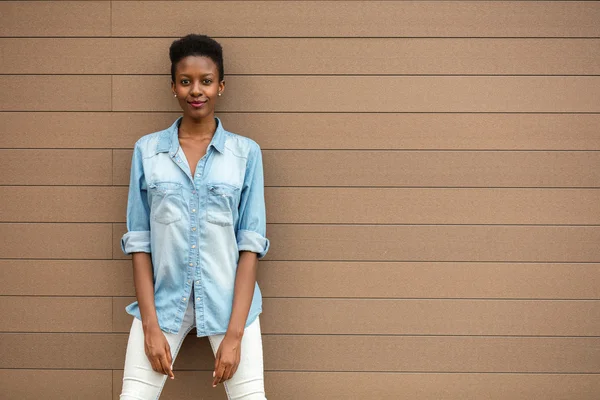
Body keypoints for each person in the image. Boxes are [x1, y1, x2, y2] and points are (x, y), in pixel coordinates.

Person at [119, 34, 270, 400]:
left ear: (221, 85)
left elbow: (250, 244)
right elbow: (139, 241)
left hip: (229, 305)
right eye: (186, 81)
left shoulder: (245, 153)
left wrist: (234, 337)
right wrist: (150, 328)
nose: (196, 90)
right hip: (163, 302)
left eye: (205, 80)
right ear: (173, 87)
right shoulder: (148, 151)